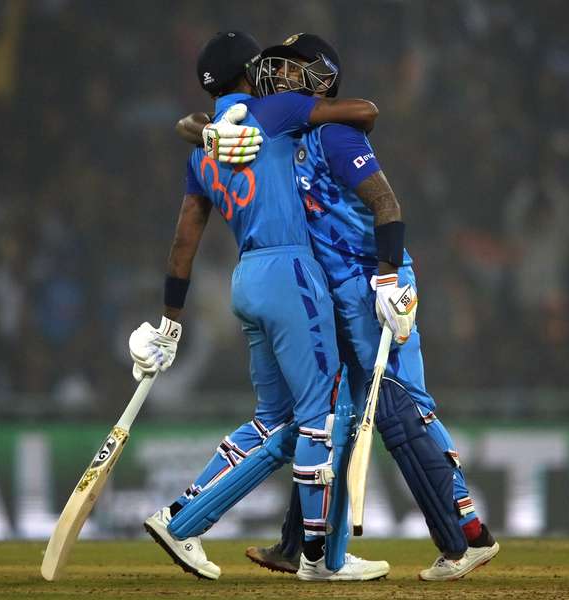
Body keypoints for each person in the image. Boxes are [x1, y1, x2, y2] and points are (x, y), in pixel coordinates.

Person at [176, 33, 500, 581]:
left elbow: (387, 205)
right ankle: (299, 545)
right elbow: (197, 124)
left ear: (319, 79)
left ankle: (466, 535)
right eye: (273, 68)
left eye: (291, 68)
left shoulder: (333, 132)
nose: (276, 76)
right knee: (337, 419)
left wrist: (390, 277)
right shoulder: (278, 130)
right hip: (335, 292)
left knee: (399, 411)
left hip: (372, 285)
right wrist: (203, 128)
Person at [128, 31, 389, 582]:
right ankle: (320, 559)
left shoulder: (203, 149)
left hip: (244, 280)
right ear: (249, 72)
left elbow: (183, 244)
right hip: (291, 270)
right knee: (325, 415)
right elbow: (363, 113)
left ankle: (181, 519)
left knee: (274, 421)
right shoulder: (275, 109)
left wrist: (169, 324)